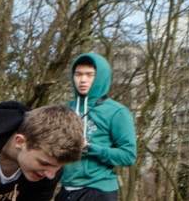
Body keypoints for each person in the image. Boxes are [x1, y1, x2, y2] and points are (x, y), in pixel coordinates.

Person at [58, 53, 136, 201]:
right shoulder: (65, 110)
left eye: (89, 75)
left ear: (100, 77)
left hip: (98, 190)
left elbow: (128, 156)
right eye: (78, 74)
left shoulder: (117, 112)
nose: (83, 79)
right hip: (66, 189)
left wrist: (90, 148)